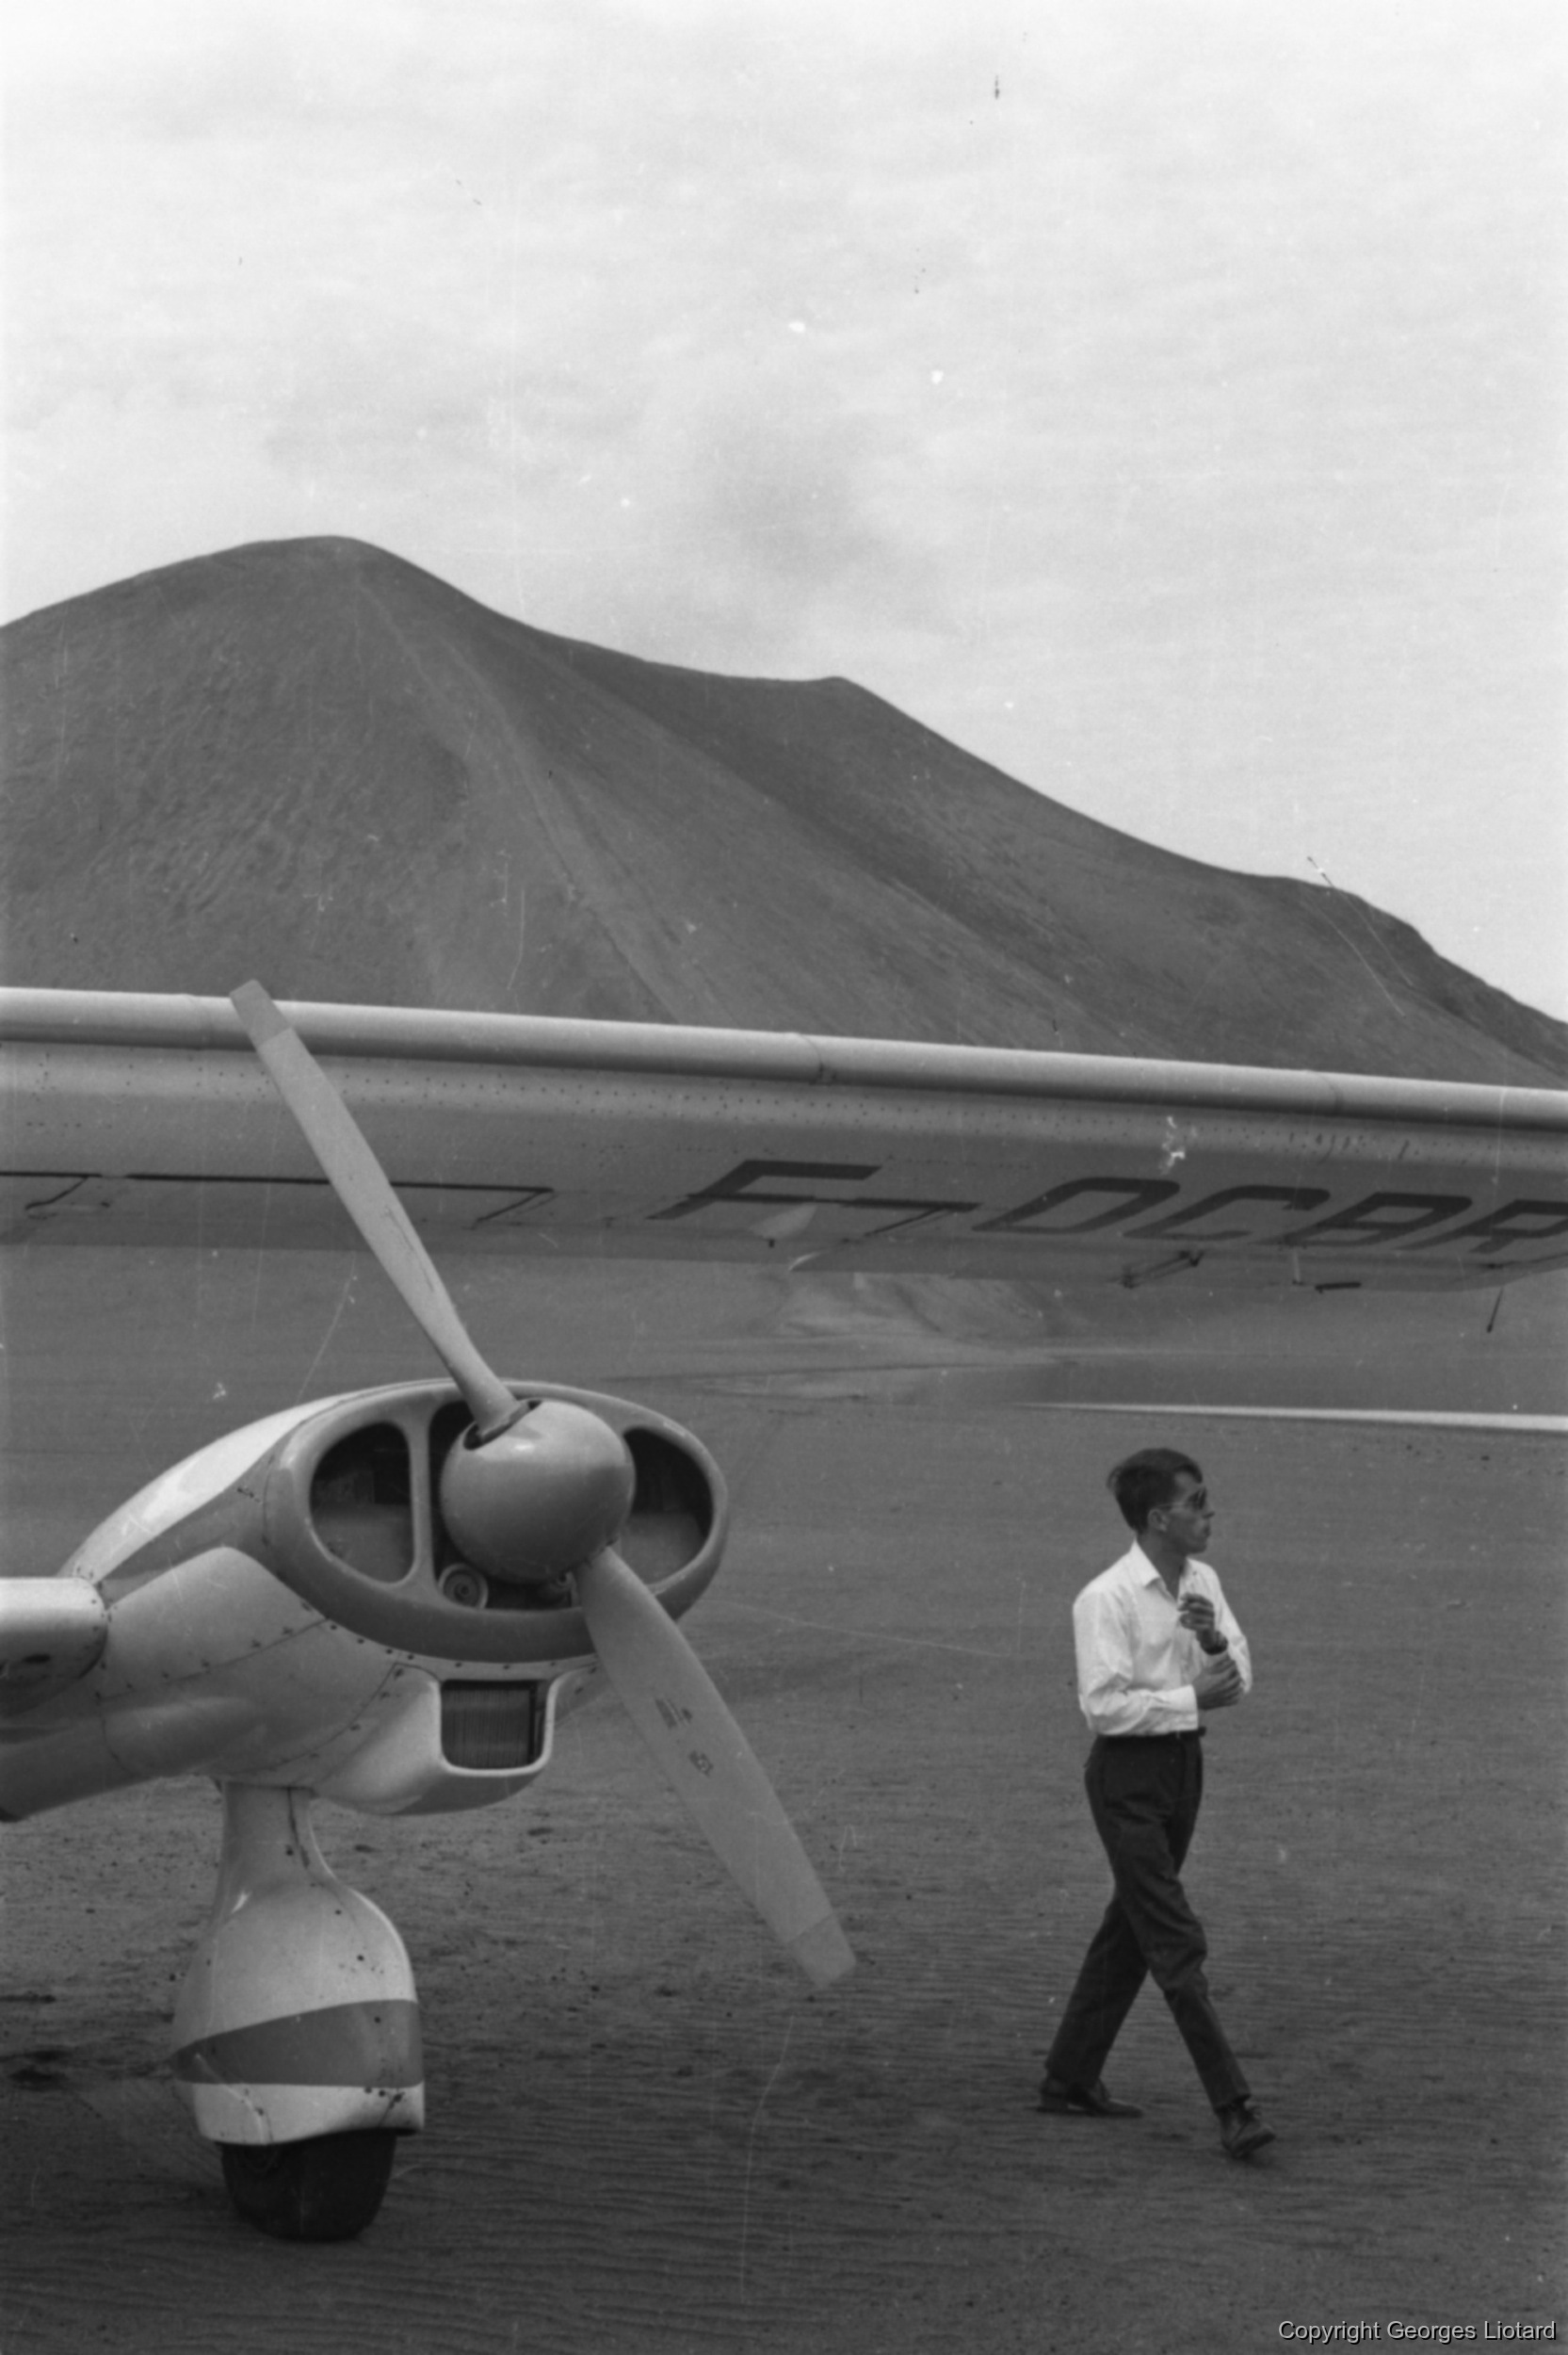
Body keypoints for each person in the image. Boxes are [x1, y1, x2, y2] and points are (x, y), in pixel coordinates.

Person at [1039, 1446, 1274, 2161]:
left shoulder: (1203, 1581)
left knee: (1133, 1926)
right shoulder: (1104, 1599)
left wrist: (1210, 1639)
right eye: (1196, 1502)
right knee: (1173, 1936)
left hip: (1182, 1770)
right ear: (1156, 1518)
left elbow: (1238, 1680)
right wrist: (1189, 1697)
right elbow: (1102, 1708)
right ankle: (1234, 2108)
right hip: (1125, 1780)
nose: (1209, 1513)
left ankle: (1068, 2078)